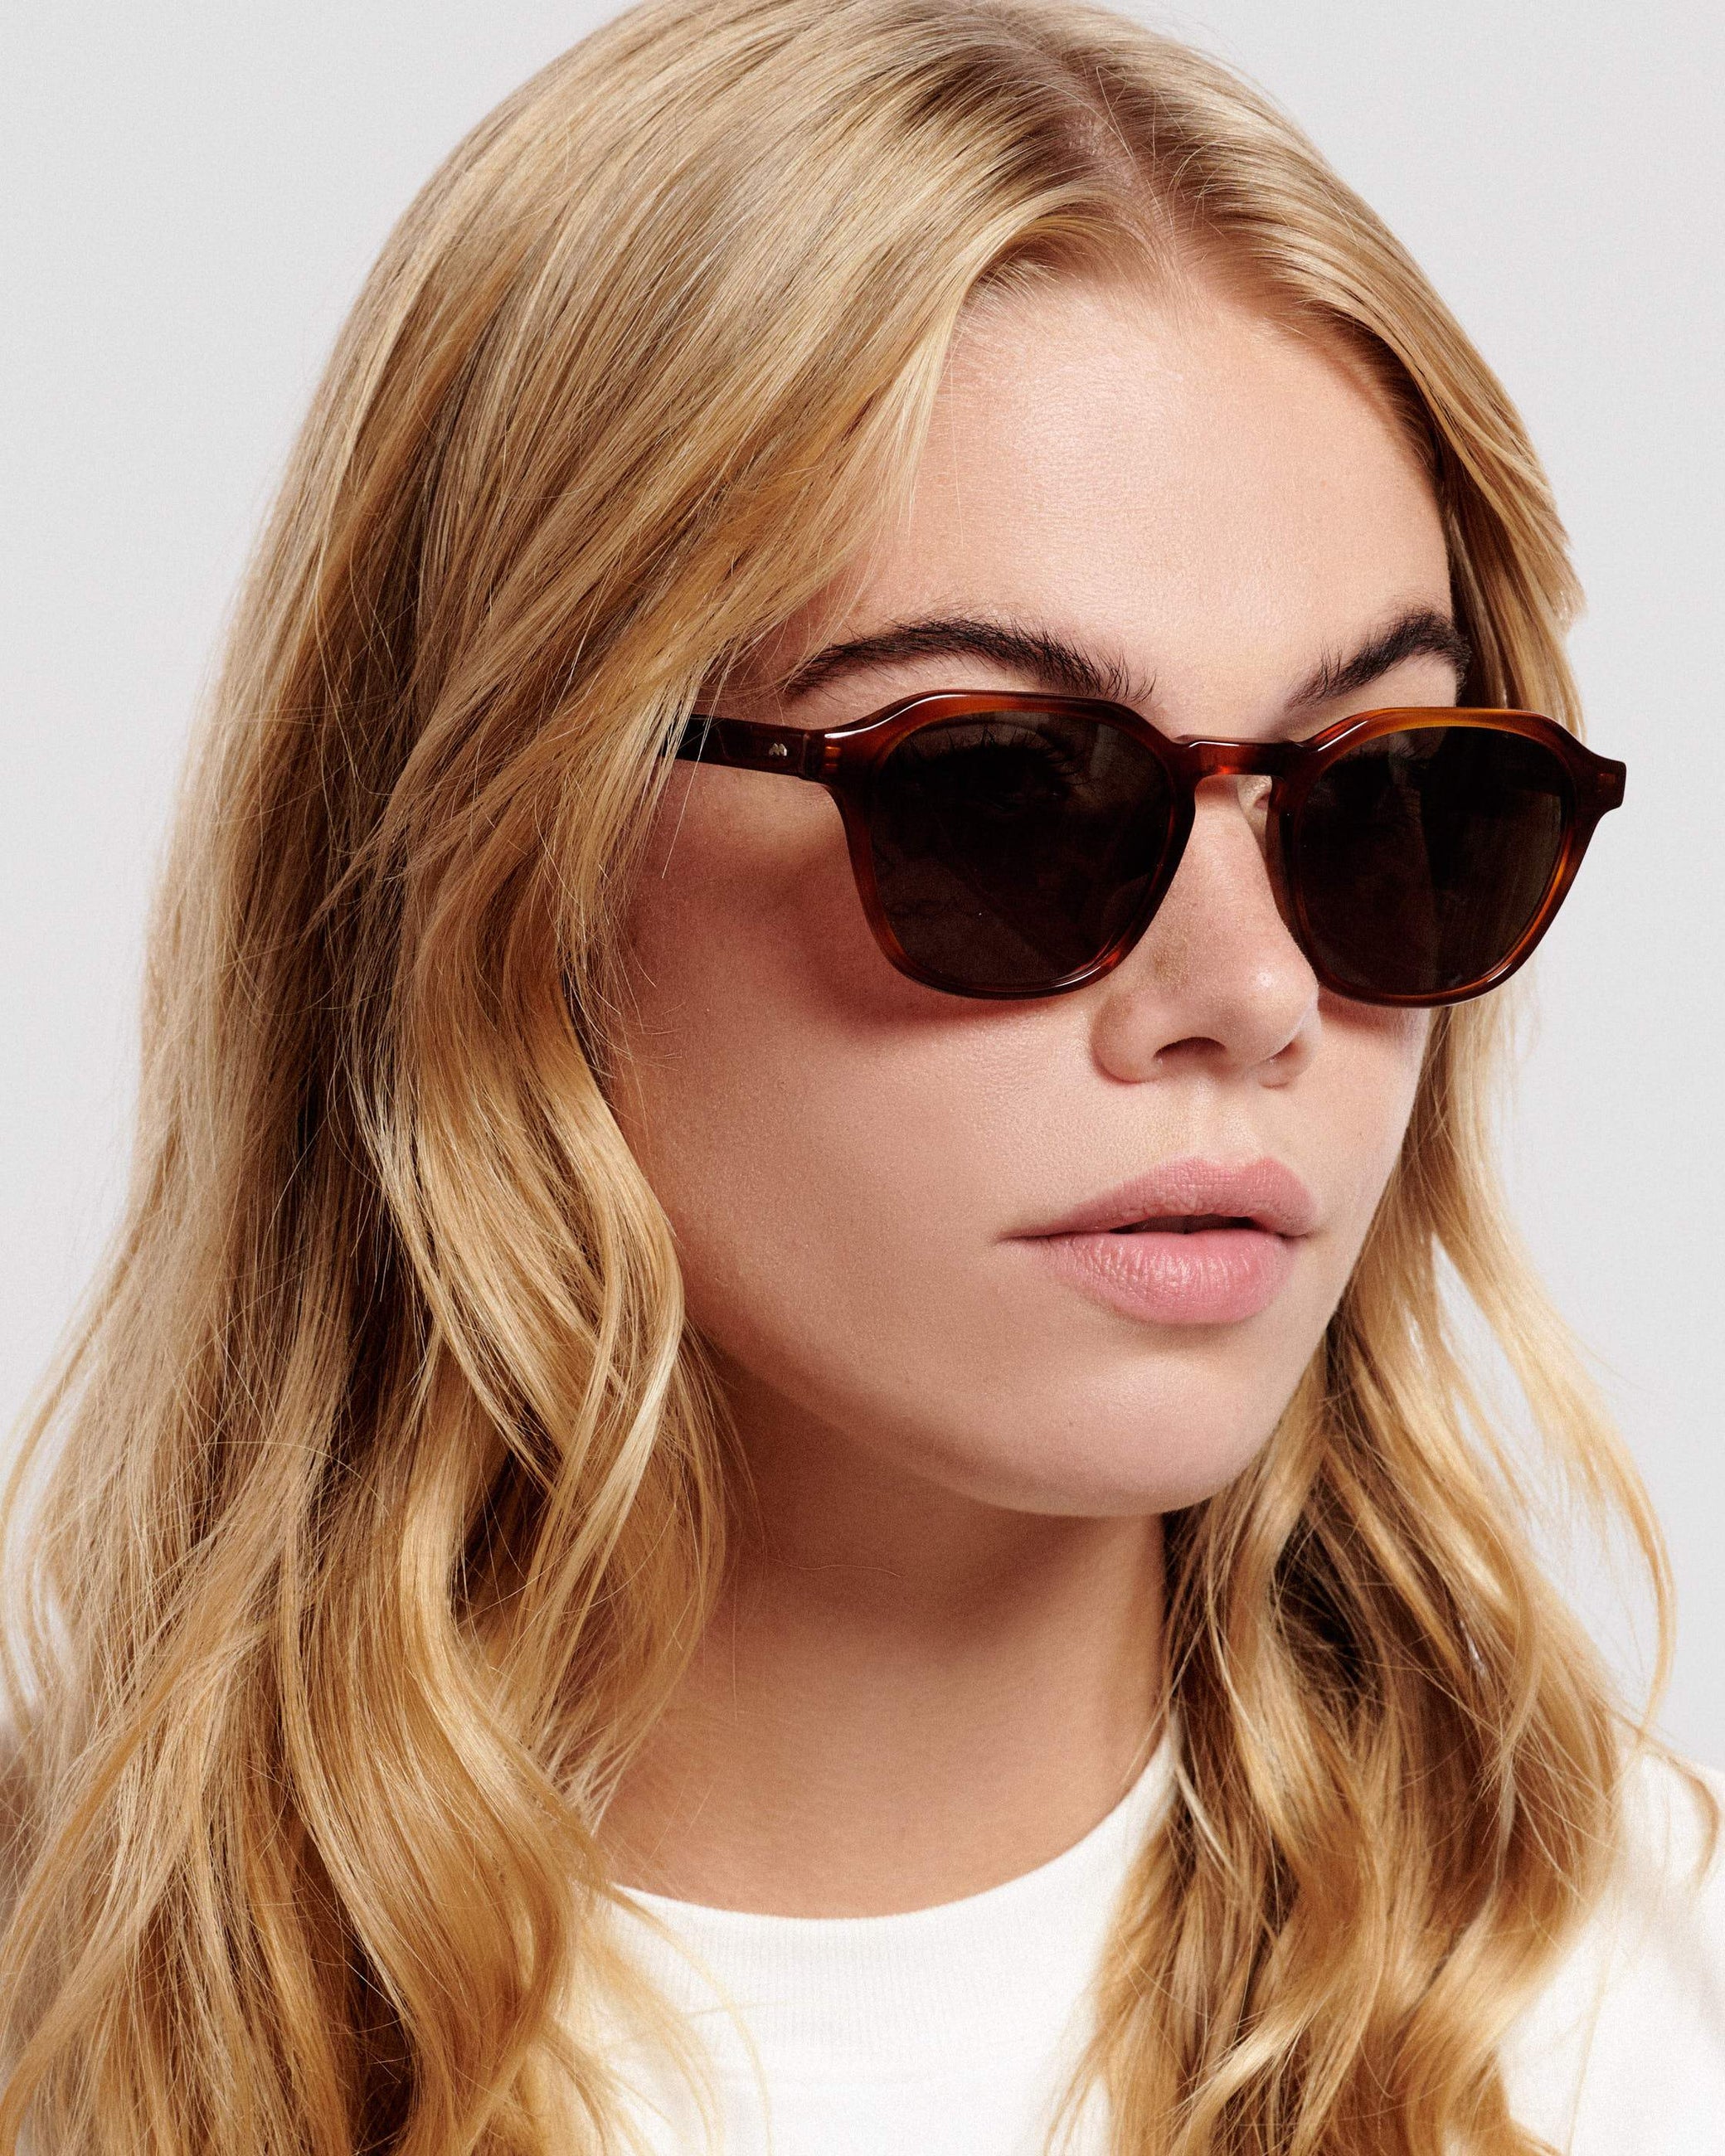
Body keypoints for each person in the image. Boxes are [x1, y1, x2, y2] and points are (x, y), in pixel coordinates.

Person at [1, 1, 1719, 2150]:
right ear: (517, 861)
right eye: (1005, 793)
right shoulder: (66, 2042)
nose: (1255, 992)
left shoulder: (1641, 2036)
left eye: (1390, 803)